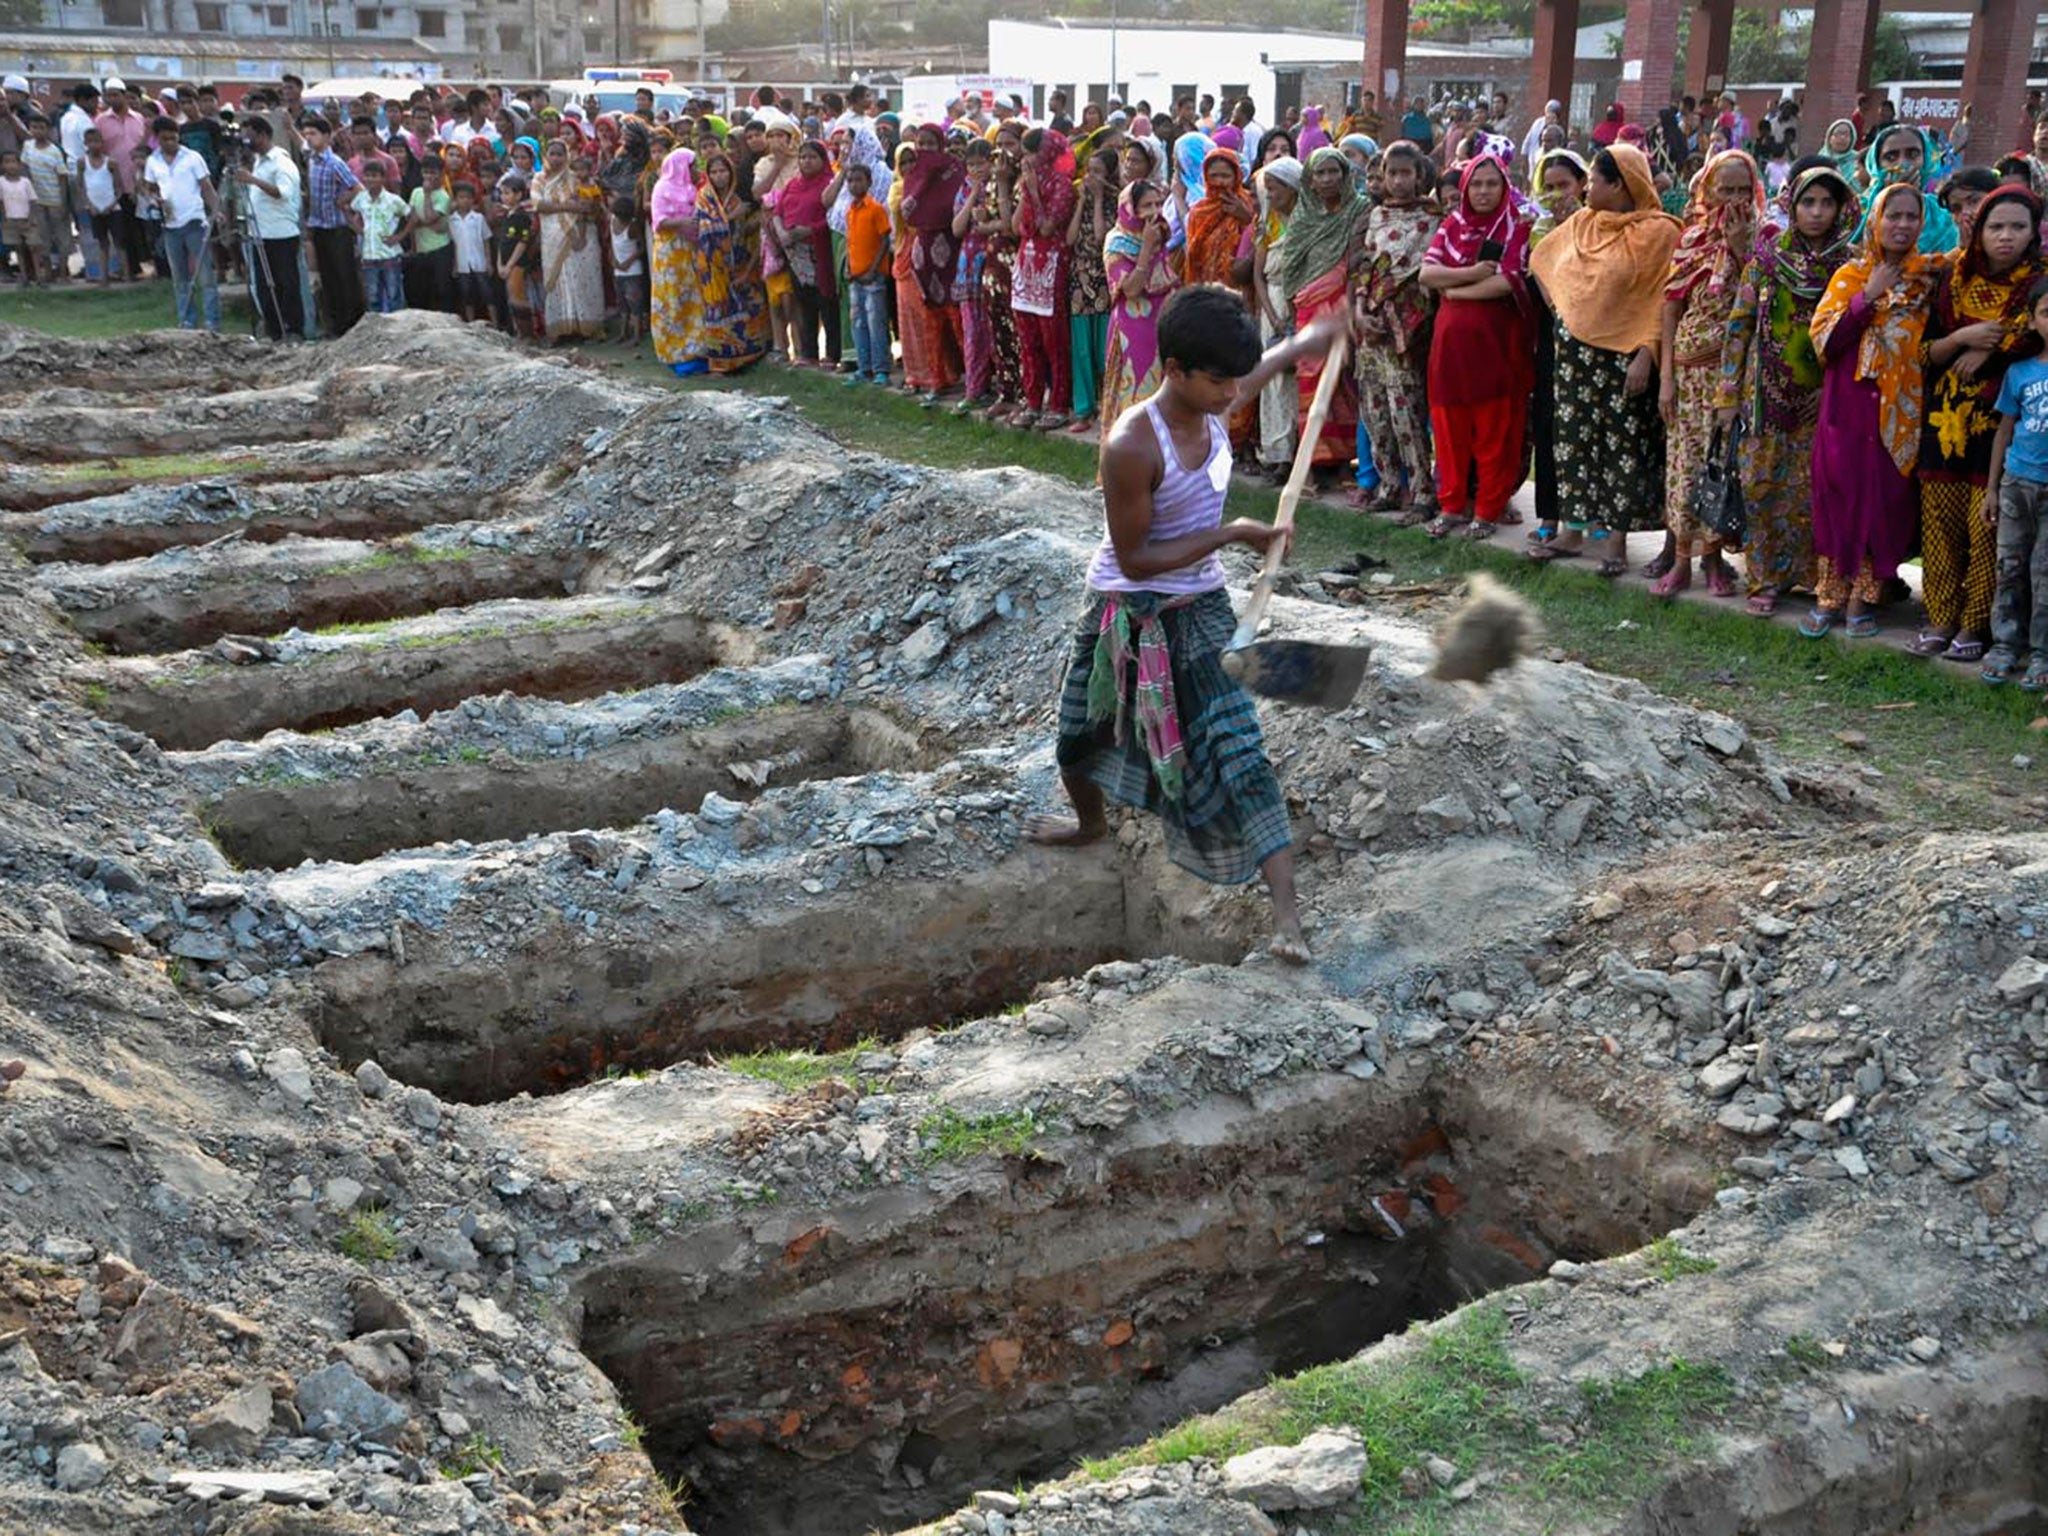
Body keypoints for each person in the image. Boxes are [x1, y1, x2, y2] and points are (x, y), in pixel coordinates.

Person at [1030, 286, 1347, 964]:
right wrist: (1231, 532)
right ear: (1173, 369)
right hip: (1125, 609)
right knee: (1076, 737)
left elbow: (1256, 372)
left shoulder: (1214, 391)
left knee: (1240, 750)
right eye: (1217, 380)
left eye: (1235, 378)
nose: (1231, 393)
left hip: (1201, 610)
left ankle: (1288, 920)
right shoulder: (1130, 445)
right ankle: (1089, 826)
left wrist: (1309, 340)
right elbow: (1138, 559)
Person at [1527, 144, 1682, 575]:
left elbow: (1662, 300)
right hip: (1575, 356)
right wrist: (1563, 311)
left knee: (1624, 446)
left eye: (1594, 180)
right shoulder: (1581, 224)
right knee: (1572, 440)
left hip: (1626, 357)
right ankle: (1573, 532)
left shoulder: (1660, 233)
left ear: (1621, 185)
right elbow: (1541, 262)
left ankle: (1616, 540)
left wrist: (1647, 354)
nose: (1587, 187)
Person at [1714, 166, 1858, 616]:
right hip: (1764, 396)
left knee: (1814, 491)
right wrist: (1727, 396)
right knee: (1760, 486)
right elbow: (1738, 328)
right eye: (1808, 202)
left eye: (1826, 203)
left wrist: (1838, 388)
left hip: (1825, 399)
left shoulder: (1851, 266)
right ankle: (1765, 578)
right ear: (1792, 206)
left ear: (1841, 209)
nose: (1816, 213)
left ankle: (1817, 579)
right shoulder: (1767, 261)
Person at [1803, 183, 1941, 638]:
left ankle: (1863, 599)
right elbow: (1824, 340)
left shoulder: (1927, 279)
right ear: (1875, 220)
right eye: (1892, 216)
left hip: (1897, 415)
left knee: (1881, 505)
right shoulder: (1851, 276)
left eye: (1911, 217)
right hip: (1847, 411)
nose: (1901, 225)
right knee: (1837, 498)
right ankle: (1829, 597)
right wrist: (1868, 298)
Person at [1912, 186, 2043, 662]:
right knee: (1940, 524)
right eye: (1996, 227)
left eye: (2017, 227)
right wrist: (1966, 337)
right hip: (1944, 423)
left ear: (2032, 234)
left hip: (2001, 427)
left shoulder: (2039, 286)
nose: (2006, 237)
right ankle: (1940, 617)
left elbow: (2034, 338)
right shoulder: (1953, 277)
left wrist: (1995, 345)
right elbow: (1925, 350)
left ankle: (1976, 625)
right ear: (1980, 230)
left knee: (1986, 526)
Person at [1654, 149, 1766, 596]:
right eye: (1726, 189)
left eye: (1743, 189)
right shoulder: (1691, 238)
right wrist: (1666, 378)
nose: (1734, 199)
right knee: (1684, 469)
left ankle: (1715, 561)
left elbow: (1759, 300)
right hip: (1688, 376)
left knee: (1722, 468)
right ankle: (1681, 559)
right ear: (1708, 190)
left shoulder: (1767, 239)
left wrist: (1740, 250)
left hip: (1736, 376)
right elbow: (1671, 309)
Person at [1420, 152, 1531, 539]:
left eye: (1491, 184)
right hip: (1449, 350)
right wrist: (1469, 274)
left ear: (1505, 187)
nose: (1483, 192)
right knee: (1450, 430)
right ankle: (1451, 506)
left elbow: (1508, 281)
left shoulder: (1515, 227)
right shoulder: (1453, 224)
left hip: (1496, 349)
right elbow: (1426, 273)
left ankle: (1487, 510)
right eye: (1476, 184)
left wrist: (1454, 291)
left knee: (1493, 432)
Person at [1350, 140, 1438, 520]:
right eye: (1392, 173)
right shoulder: (1377, 217)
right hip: (1371, 328)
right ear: (1382, 178)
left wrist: (1396, 315)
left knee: (1407, 412)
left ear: (1419, 177)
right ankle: (1388, 485)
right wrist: (1359, 309)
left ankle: (1421, 493)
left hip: (1407, 329)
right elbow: (1367, 267)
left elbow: (1422, 273)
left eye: (1406, 173)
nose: (1399, 181)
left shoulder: (1432, 218)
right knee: (1375, 411)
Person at [1270, 146, 1366, 487]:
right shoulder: (1303, 217)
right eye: (1320, 173)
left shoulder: (1360, 209)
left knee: (1344, 384)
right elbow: (1292, 265)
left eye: (1333, 172)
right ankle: (1307, 464)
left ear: (1345, 174)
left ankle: (1343, 463)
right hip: (1310, 308)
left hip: (1346, 307)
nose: (1327, 179)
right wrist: (1305, 298)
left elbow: (1360, 260)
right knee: (1310, 386)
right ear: (1309, 180)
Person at [1983, 276, 2048, 688]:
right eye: (2047, 313)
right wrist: (1992, 488)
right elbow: (2004, 431)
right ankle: (2005, 644)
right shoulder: (2019, 373)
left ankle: (2041, 653)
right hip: (2016, 483)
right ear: (2032, 320)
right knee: (2009, 566)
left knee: (2045, 573)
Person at [1525, 149, 1586, 547]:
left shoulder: (1597, 227)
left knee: (1587, 427)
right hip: (1553, 337)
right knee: (1549, 423)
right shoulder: (1538, 232)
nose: (1556, 194)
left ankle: (1589, 516)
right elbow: (1541, 283)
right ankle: (1549, 514)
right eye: (1547, 188)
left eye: (1564, 185)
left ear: (1583, 184)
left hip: (1594, 337)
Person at [1180, 144, 1258, 452]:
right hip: (1207, 297)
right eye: (1214, 176)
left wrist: (1245, 217)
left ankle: (1239, 438)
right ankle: (1208, 433)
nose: (1221, 182)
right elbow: (1192, 256)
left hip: (1240, 297)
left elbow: (1258, 242)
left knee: (1239, 361)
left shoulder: (1249, 205)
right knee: (1209, 362)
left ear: (1237, 175)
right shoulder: (1199, 211)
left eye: (1227, 175)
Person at [1096, 179, 1181, 450]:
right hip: (1132, 331)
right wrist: (1145, 249)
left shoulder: (1160, 235)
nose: (1154, 211)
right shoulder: (1117, 242)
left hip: (1163, 325)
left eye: (1158, 204)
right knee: (1134, 399)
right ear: (1130, 208)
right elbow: (1131, 289)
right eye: (1146, 206)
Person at [1012, 127, 1076, 430]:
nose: (1026, 159)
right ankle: (1033, 401)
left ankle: (1059, 404)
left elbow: (1048, 227)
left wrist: (1035, 192)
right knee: (1029, 340)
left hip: (1051, 266)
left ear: (1046, 152)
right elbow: (1019, 226)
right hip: (1026, 265)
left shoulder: (1063, 186)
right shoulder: (1026, 182)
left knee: (1054, 341)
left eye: (1031, 152)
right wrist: (1026, 190)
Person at [694, 148, 770, 374]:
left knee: (750, 306)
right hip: (714, 268)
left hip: (741, 263)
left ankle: (749, 357)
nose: (719, 176)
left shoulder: (739, 199)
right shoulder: (704, 200)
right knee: (719, 311)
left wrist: (751, 222)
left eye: (723, 171)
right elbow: (704, 230)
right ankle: (721, 364)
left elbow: (749, 234)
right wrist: (731, 218)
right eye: (714, 172)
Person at [1250, 156, 1302, 484]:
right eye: (1266, 189)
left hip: (1296, 304)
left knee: (1292, 384)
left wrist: (1293, 313)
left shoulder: (1305, 223)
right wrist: (1271, 313)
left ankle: (1294, 457)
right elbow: (1258, 274)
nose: (1270, 195)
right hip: (1272, 305)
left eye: (1275, 188)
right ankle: (1276, 455)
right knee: (1272, 383)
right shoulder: (1268, 223)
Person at [144, 116, 222, 330]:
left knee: (205, 275)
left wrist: (216, 210)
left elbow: (206, 187)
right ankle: (187, 320)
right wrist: (155, 200)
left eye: (174, 138)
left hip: (194, 220)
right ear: (157, 139)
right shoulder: (153, 161)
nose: (170, 142)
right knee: (180, 278)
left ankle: (212, 321)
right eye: (165, 139)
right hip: (170, 224)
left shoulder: (192, 158)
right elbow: (150, 188)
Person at [237, 115, 303, 341]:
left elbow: (282, 193)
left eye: (250, 137)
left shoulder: (281, 162)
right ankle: (274, 330)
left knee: (286, 285)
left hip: (281, 234)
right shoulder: (258, 161)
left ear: (263, 135)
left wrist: (253, 180)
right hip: (260, 234)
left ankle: (294, 329)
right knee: (265, 287)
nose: (247, 142)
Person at [532, 137, 604, 341]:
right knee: (558, 281)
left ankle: (585, 328)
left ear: (567, 156)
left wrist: (578, 210)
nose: (555, 158)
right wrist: (567, 207)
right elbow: (538, 204)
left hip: (580, 234)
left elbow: (588, 205)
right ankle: (560, 329)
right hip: (553, 237)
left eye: (560, 154)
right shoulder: (539, 178)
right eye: (552, 154)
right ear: (546, 155)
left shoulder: (575, 177)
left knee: (581, 278)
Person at [1067, 145, 1117, 435]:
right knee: (1082, 350)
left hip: (1104, 281)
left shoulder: (1113, 202)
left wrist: (1098, 200)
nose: (1091, 177)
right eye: (1089, 171)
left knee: (1104, 350)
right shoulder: (1080, 198)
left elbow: (1101, 237)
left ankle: (1107, 408)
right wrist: (1081, 203)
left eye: (1098, 172)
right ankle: (1084, 410)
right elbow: (1072, 238)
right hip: (1080, 281)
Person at [301, 116, 365, 335]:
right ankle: (336, 324)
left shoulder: (334, 162)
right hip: (319, 225)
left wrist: (343, 200)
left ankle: (351, 323)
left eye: (314, 134)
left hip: (337, 227)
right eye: (307, 134)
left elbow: (357, 188)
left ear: (327, 137)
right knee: (328, 278)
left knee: (344, 276)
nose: (309, 138)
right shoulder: (311, 160)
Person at [648, 145, 705, 372]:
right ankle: (674, 352)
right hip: (671, 252)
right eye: (693, 166)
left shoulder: (693, 189)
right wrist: (682, 223)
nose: (696, 170)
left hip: (690, 251)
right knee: (673, 299)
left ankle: (696, 349)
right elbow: (659, 221)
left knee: (693, 300)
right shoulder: (662, 188)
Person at [1860, 124, 1960, 253]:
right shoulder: (1858, 210)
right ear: (1877, 165)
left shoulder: (1940, 215)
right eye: (1891, 157)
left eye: (1912, 154)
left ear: (1925, 160)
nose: (1902, 163)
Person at [841, 160, 892, 384]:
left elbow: (884, 240)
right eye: (850, 181)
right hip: (856, 277)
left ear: (869, 182)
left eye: (858, 180)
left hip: (873, 276)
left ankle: (881, 368)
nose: (854, 185)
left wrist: (873, 269)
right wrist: (849, 268)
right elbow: (851, 242)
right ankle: (864, 367)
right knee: (858, 322)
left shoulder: (875, 208)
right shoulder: (850, 210)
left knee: (876, 322)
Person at [352, 158, 410, 316]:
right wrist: (360, 230)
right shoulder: (361, 198)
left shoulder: (393, 200)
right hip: (369, 256)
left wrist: (399, 236)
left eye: (375, 175)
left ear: (383, 178)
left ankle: (398, 331)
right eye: (368, 175)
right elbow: (354, 213)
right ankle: (377, 333)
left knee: (394, 296)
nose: (371, 179)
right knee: (372, 296)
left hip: (389, 255)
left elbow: (412, 216)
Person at [20, 117, 72, 281]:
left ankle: (63, 272)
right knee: (43, 236)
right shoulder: (28, 146)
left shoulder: (54, 151)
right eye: (34, 127)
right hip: (37, 200)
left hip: (55, 200)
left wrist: (63, 203)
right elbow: (25, 169)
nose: (37, 131)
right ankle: (48, 272)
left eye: (41, 128)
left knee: (62, 236)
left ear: (48, 130)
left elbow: (62, 177)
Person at [407, 152, 454, 312]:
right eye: (426, 172)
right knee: (422, 291)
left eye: (433, 173)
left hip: (440, 248)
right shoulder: (415, 192)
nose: (429, 176)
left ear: (441, 174)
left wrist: (427, 195)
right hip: (421, 249)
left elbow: (429, 218)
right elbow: (412, 220)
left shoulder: (443, 196)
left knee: (442, 290)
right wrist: (414, 247)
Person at [74, 127, 121, 287]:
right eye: (91, 142)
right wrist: (89, 204)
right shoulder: (82, 162)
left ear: (102, 143)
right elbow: (80, 186)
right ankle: (104, 278)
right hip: (94, 208)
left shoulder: (111, 162)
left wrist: (112, 204)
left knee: (119, 242)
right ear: (86, 144)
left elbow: (119, 188)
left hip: (112, 208)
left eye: (98, 141)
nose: (94, 145)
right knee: (102, 243)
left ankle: (126, 276)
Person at [495, 174, 538, 339]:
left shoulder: (521, 216)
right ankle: (520, 332)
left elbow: (522, 242)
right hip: (506, 263)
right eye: (502, 193)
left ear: (519, 195)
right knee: (512, 297)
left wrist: (509, 265)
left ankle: (528, 335)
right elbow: (502, 242)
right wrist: (500, 264)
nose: (503, 197)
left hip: (517, 263)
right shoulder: (508, 215)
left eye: (507, 193)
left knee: (518, 297)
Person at [449, 179, 493, 326]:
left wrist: (489, 262)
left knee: (488, 294)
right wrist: (455, 264)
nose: (465, 201)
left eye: (468, 197)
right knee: (466, 295)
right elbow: (453, 244)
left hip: (479, 262)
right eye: (461, 197)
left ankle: (495, 323)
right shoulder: (451, 221)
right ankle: (471, 324)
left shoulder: (478, 218)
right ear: (455, 200)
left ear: (473, 199)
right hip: (462, 264)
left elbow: (486, 240)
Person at [607, 194, 646, 349]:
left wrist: (627, 262)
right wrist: (614, 260)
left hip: (632, 271)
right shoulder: (612, 221)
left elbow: (641, 247)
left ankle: (636, 335)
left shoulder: (633, 226)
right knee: (623, 304)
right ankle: (624, 333)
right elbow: (611, 242)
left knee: (635, 305)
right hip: (620, 270)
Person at [0, 151, 39, 286]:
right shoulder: (1, 182)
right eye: (7, 162)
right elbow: (1, 202)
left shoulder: (25, 182)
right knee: (19, 249)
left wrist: (31, 218)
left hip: (27, 219)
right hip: (11, 220)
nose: (11, 165)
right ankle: (24, 277)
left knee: (33, 247)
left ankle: (38, 276)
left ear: (19, 164)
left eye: (13, 162)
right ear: (2, 165)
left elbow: (32, 201)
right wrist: (5, 218)